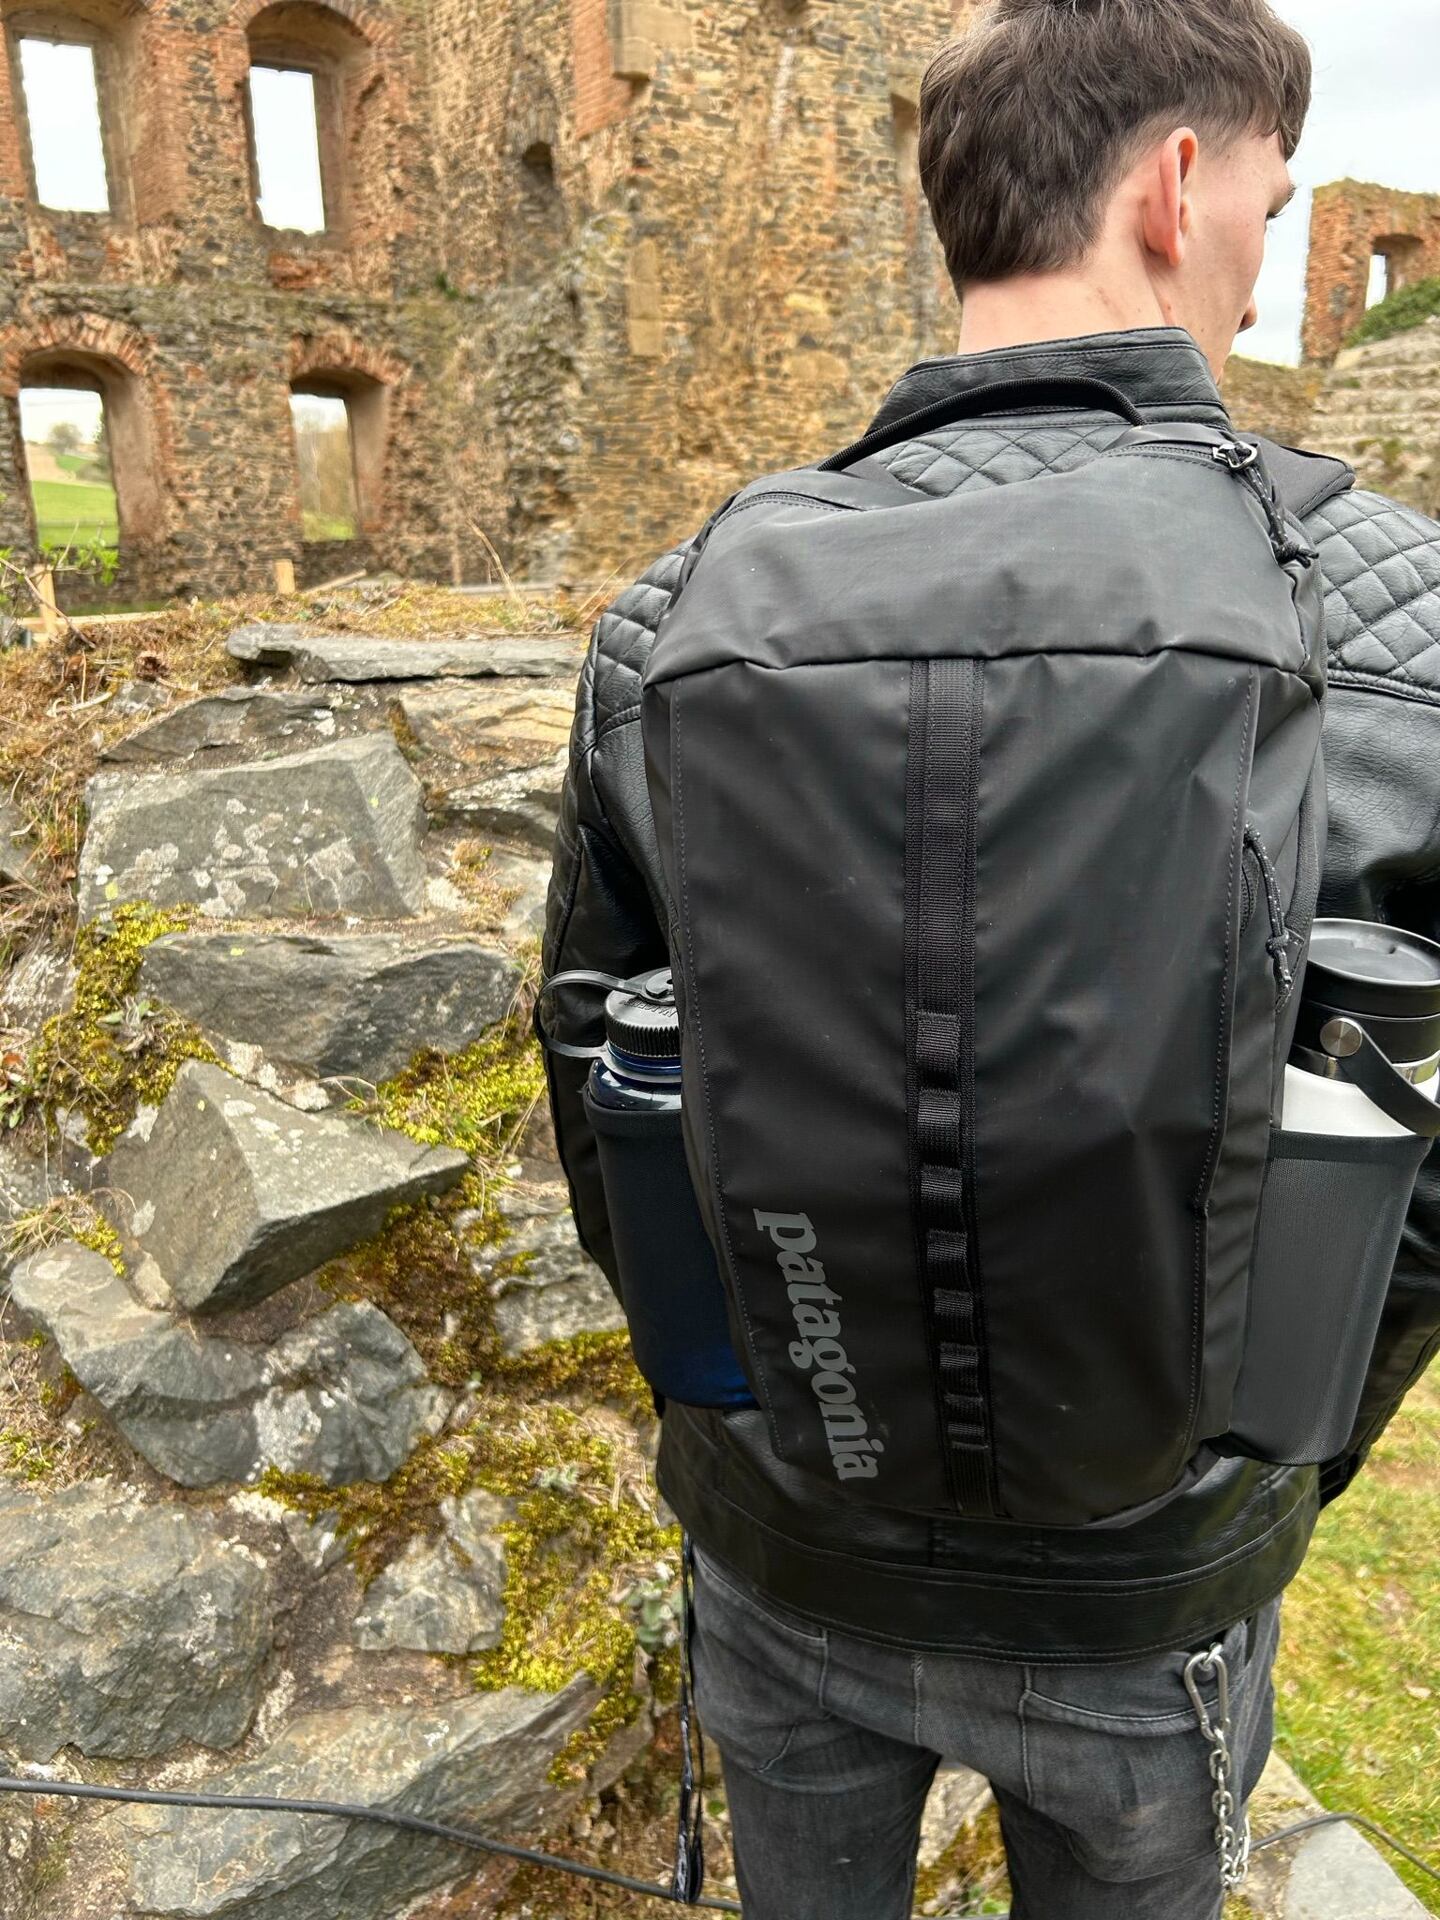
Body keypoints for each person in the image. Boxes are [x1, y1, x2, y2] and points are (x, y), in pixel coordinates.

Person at [541, 2, 1440, 1914]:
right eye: (1272, 204)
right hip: (1148, 1583)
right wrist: (1276, 1464)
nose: (1260, 252)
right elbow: (1420, 1160)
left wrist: (751, 1415)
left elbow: (601, 1082)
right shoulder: (1402, 626)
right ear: (1178, 185)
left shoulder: (678, 612)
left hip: (788, 1544)